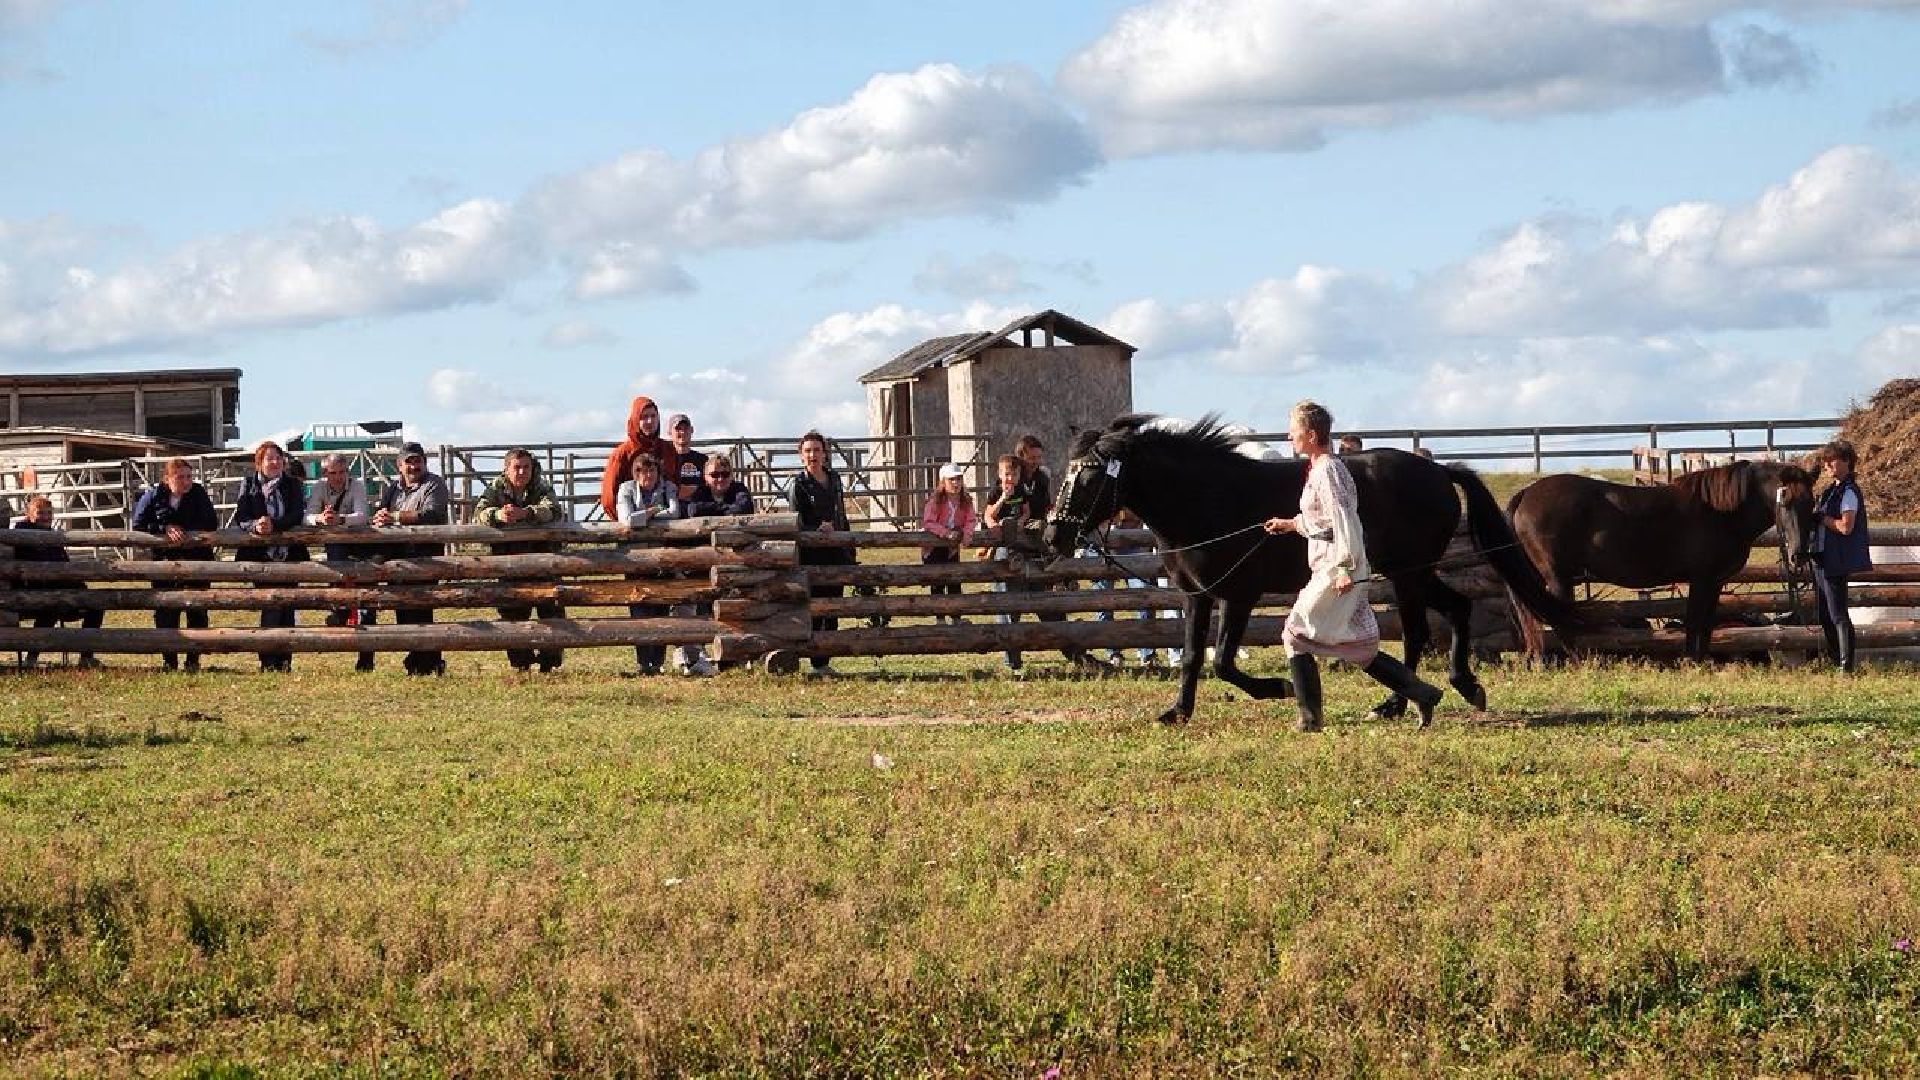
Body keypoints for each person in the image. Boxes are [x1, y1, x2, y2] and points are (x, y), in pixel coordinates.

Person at [1263, 400, 1443, 731]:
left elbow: (1345, 520)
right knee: (1360, 648)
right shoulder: (1320, 469)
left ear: (1311, 434)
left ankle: (1310, 719)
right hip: (1331, 563)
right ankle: (1423, 694)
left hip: (1337, 566)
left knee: (1294, 634)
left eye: (1294, 431)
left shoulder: (1328, 471)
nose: (1289, 437)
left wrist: (1345, 567)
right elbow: (1323, 521)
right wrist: (1290, 524)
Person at [474, 447, 566, 673]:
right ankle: (521, 663)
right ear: (506, 470)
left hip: (544, 561)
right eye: (517, 467)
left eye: (526, 467)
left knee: (551, 610)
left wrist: (526, 513)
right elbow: (478, 514)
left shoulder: (540, 486)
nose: (522, 472)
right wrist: (498, 515)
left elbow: (554, 510)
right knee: (511, 614)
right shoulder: (495, 488)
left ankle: (549, 662)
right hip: (508, 563)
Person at [130, 457, 219, 673]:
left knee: (197, 610)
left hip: (197, 560)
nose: (186, 482)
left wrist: (184, 529)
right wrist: (164, 527)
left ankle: (193, 659)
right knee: (165, 611)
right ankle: (169, 660)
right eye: (180, 477)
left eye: (189, 477)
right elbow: (138, 524)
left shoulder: (198, 493)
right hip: (165, 562)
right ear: (167, 478)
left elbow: (211, 522)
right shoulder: (153, 495)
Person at [373, 441, 451, 676]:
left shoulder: (434, 484)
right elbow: (381, 512)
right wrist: (380, 518)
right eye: (409, 462)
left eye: (418, 461)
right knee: (403, 611)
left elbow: (432, 514)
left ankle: (427, 661)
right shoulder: (392, 488)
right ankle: (421, 660)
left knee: (421, 609)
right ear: (399, 465)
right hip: (398, 556)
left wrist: (395, 517)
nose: (414, 466)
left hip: (425, 556)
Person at [230, 440, 308, 673]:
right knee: (271, 604)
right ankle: (268, 660)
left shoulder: (292, 484)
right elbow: (241, 517)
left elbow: (296, 514)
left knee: (288, 607)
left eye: (278, 458)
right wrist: (256, 525)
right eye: (269, 458)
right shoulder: (249, 483)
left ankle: (285, 661)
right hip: (260, 555)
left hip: (290, 554)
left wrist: (274, 524)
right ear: (259, 462)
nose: (275, 462)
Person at [9, 496, 105, 669]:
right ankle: (32, 658)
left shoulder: (52, 538)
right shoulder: (21, 535)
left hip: (58, 590)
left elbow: (64, 566)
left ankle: (86, 656)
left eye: (49, 513)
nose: (46, 517)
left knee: (95, 606)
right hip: (31, 593)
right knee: (52, 606)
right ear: (29, 514)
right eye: (40, 513)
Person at [680, 454, 754, 674]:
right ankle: (703, 655)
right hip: (705, 563)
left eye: (724, 474)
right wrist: (725, 513)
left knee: (733, 607)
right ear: (705, 477)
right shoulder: (700, 493)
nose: (720, 479)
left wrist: (712, 515)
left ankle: (733, 654)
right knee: (705, 608)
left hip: (735, 561)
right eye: (714, 475)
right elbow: (694, 510)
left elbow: (743, 508)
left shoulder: (739, 489)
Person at [790, 430, 853, 675]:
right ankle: (816, 660)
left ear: (825, 454)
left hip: (836, 551)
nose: (812, 455)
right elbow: (795, 522)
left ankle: (825, 660)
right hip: (812, 554)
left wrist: (847, 544)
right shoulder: (798, 485)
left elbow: (841, 514)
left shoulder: (835, 479)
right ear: (801, 455)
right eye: (807, 451)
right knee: (815, 608)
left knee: (834, 606)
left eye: (817, 450)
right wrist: (815, 530)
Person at [616, 452, 680, 674]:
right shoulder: (626, 489)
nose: (648, 475)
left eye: (652, 470)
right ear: (636, 474)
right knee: (639, 610)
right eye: (643, 471)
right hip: (635, 559)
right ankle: (644, 663)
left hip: (662, 557)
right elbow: (627, 520)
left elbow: (675, 513)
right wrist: (654, 510)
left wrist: (643, 516)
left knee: (661, 609)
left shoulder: (668, 487)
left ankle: (658, 663)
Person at [1811, 439, 1871, 674]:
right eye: (1825, 461)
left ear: (1846, 462)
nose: (1826, 465)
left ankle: (1846, 666)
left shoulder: (1848, 492)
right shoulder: (1831, 491)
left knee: (1837, 614)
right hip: (1823, 558)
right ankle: (1836, 660)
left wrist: (1822, 519)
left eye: (1831, 460)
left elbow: (1846, 527)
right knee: (1826, 614)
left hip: (1835, 559)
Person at [306, 452, 372, 655]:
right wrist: (320, 518)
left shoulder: (357, 485)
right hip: (336, 546)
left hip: (360, 546)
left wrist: (340, 519)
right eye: (333, 473)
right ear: (325, 473)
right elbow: (307, 516)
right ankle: (339, 607)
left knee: (365, 591)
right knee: (337, 560)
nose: (338, 477)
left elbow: (362, 516)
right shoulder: (319, 487)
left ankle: (342, 610)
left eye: (342, 472)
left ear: (347, 472)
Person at [981, 453, 1032, 672]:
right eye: (1007, 474)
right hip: (1001, 548)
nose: (1011, 478)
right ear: (1000, 474)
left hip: (1017, 547)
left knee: (1016, 600)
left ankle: (1014, 651)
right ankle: (1010, 656)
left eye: (1015, 474)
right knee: (1004, 599)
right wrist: (1003, 498)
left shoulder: (1022, 491)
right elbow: (988, 515)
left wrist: (1021, 522)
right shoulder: (995, 491)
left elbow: (1026, 511)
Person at [599, 395, 676, 522]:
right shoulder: (622, 454)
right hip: (632, 525)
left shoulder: (668, 449)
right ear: (635, 420)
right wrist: (625, 520)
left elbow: (675, 484)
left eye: (653, 416)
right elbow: (609, 497)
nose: (650, 421)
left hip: (667, 522)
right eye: (644, 417)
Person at [919, 462, 976, 625]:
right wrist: (946, 533)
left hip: (952, 547)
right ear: (943, 482)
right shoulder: (935, 501)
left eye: (958, 479)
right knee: (937, 581)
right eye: (951, 479)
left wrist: (967, 533)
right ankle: (940, 618)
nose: (956, 483)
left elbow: (971, 519)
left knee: (954, 580)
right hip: (935, 547)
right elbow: (929, 522)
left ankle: (956, 617)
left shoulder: (966, 500)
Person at [666, 413, 707, 505]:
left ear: (692, 430)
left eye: (686, 428)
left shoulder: (703, 460)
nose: (682, 432)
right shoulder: (664, 460)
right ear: (669, 432)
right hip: (670, 507)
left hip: (699, 506)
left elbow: (710, 486)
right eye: (678, 429)